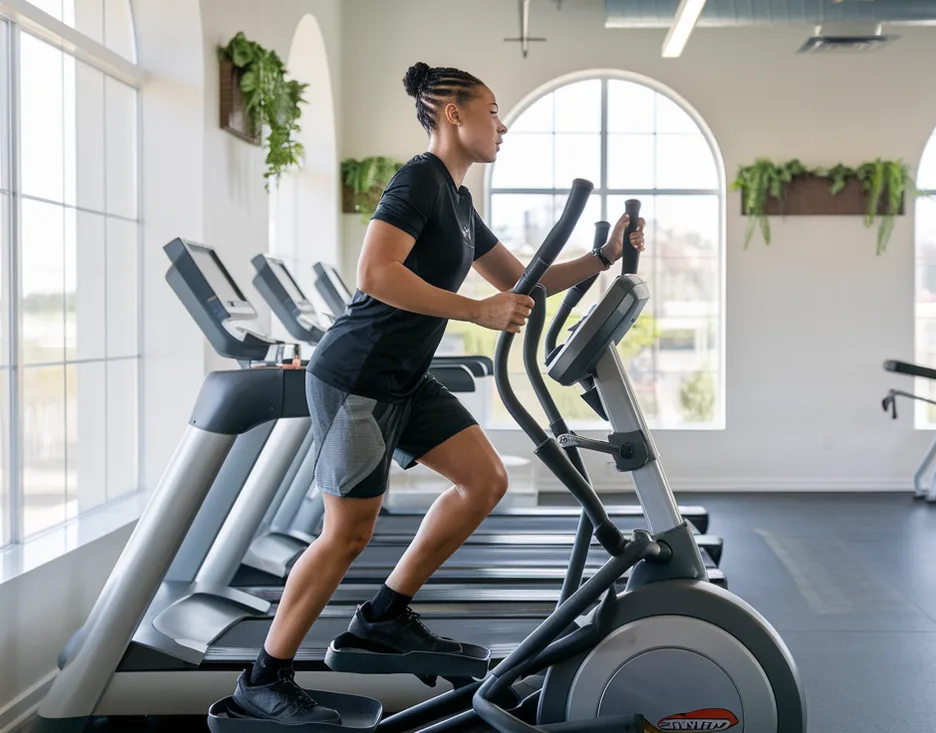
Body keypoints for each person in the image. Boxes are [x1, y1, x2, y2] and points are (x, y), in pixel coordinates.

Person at [231, 61, 645, 723]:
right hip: (358, 376)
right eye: (492, 110)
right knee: (348, 533)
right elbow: (375, 273)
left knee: (482, 480)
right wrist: (473, 310)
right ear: (452, 113)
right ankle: (263, 675)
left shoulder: (458, 199)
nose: (501, 125)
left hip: (405, 376)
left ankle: (384, 616)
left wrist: (601, 256)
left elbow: (522, 279)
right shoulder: (419, 180)